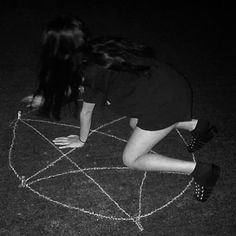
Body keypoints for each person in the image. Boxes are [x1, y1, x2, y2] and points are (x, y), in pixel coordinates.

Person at [32, 15, 220, 202]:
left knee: (131, 159)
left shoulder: (90, 71)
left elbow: (86, 111)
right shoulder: (100, 48)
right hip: (174, 84)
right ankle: (198, 127)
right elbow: (81, 88)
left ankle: (201, 171)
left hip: (164, 103)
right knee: (135, 122)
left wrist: (81, 140)